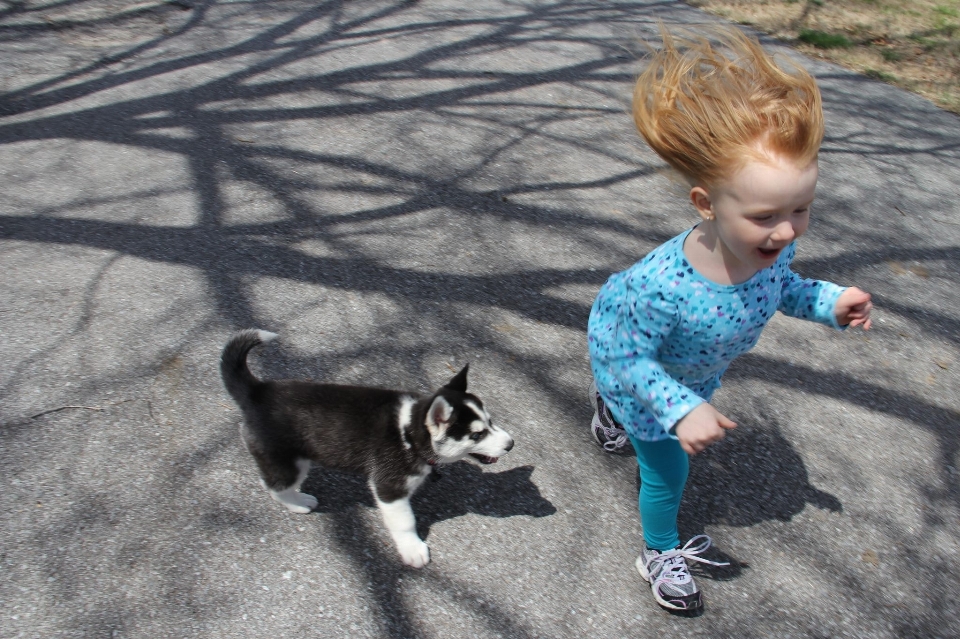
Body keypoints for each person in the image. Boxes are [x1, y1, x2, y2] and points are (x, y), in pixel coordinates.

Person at [587, 25, 873, 615]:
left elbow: (782, 287)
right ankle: (658, 551)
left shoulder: (772, 248)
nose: (788, 229)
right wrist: (679, 407)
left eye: (802, 208)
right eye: (767, 214)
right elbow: (625, 356)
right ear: (706, 204)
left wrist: (829, 302)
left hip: (691, 374)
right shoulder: (662, 288)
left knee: (660, 429)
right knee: (666, 473)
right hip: (640, 373)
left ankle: (610, 411)